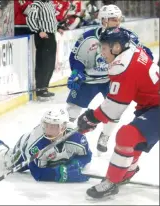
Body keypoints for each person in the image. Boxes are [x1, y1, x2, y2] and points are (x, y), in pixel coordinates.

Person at [77, 27, 159, 199]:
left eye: (104, 48)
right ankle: (129, 169)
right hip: (151, 105)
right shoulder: (132, 52)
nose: (101, 53)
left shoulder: (123, 66)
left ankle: (111, 182)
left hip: (155, 107)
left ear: (116, 47)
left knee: (126, 135)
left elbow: (114, 107)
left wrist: (91, 117)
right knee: (135, 137)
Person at [66, 4, 153, 154]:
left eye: (118, 18)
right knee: (73, 108)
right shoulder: (88, 37)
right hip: (88, 80)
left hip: (111, 80)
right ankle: (68, 133)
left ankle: (105, 136)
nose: (117, 22)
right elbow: (76, 57)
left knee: (114, 110)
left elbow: (146, 53)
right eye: (113, 19)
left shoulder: (127, 36)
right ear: (103, 20)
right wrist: (77, 71)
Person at [0, 108, 92, 183]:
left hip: (49, 154)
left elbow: (87, 156)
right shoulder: (36, 145)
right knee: (4, 161)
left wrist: (77, 163)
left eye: (53, 126)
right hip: (24, 149)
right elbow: (37, 173)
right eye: (46, 125)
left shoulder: (77, 138)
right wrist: (61, 175)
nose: (48, 130)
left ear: (63, 127)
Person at [26, 0, 63, 101]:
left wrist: (58, 27)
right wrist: (38, 31)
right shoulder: (36, 4)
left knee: (50, 64)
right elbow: (30, 19)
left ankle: (45, 88)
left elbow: (52, 19)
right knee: (43, 63)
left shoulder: (49, 3)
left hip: (51, 35)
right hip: (43, 36)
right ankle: (40, 90)